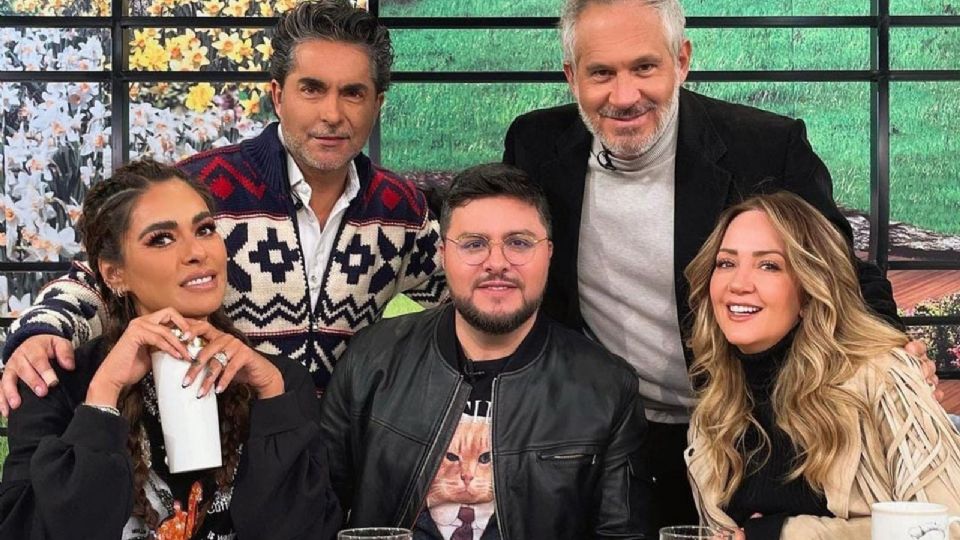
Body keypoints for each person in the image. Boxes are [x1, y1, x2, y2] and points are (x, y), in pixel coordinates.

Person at [502, 0, 934, 530]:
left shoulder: (765, 147)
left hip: (744, 432)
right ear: (572, 76)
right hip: (610, 436)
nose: (624, 95)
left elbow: (837, 268)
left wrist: (895, 352)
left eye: (644, 67)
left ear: (681, 60)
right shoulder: (534, 145)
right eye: (601, 73)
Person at [0, 0, 447, 414]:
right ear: (278, 96)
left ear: (377, 104)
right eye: (312, 89)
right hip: (215, 451)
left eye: (353, 93)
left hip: (335, 457)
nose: (332, 113)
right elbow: (103, 278)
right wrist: (43, 331)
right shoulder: (201, 189)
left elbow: (462, 290)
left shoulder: (399, 208)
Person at [0, 159, 341, 539]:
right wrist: (103, 396)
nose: (197, 252)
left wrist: (273, 399)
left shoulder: (277, 381)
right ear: (114, 273)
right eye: (161, 239)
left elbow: (304, 531)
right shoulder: (52, 383)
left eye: (205, 229)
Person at [317, 163, 650, 539]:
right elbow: (318, 511)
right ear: (443, 255)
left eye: (519, 243)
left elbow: (622, 534)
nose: (497, 263)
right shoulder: (371, 359)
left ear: (549, 253)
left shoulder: (606, 388)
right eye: (474, 244)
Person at [683, 191, 960, 538]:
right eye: (726, 263)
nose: (738, 284)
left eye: (769, 265)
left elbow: (944, 527)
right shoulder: (715, 409)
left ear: (810, 289)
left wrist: (782, 534)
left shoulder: (882, 378)